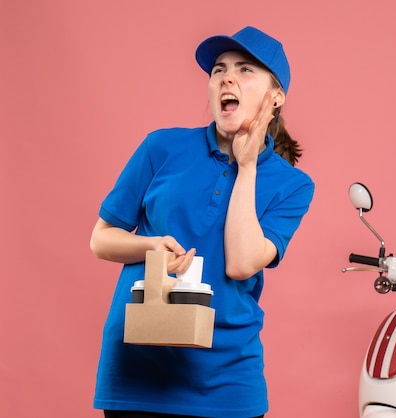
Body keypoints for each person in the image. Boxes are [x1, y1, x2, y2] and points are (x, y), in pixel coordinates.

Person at [90, 26, 315, 418]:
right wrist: (150, 245)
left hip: (226, 381)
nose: (227, 77)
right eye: (218, 70)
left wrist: (246, 167)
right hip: (136, 371)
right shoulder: (162, 146)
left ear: (275, 97)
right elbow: (101, 240)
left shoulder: (292, 185)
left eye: (245, 70)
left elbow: (242, 263)